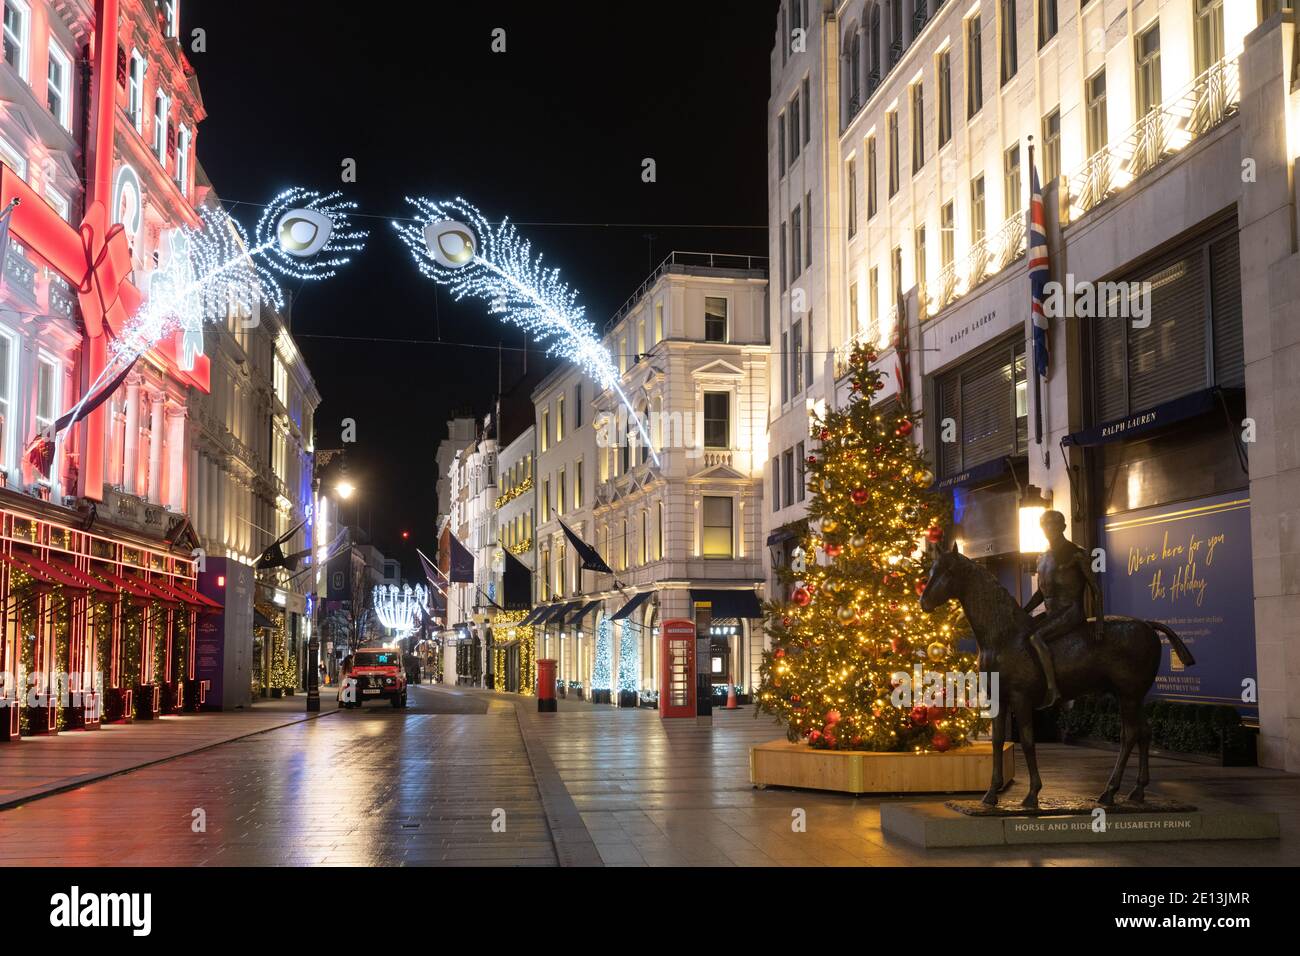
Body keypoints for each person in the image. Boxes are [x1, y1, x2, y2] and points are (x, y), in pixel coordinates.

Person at [1021, 510, 1104, 708]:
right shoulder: (1042, 558)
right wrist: (1023, 612)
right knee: (1022, 633)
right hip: (1052, 614)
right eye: (1045, 526)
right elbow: (1041, 593)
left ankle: (1053, 690)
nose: (1049, 529)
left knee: (1035, 637)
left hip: (1070, 612)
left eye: (1053, 525)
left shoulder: (1077, 554)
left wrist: (1099, 623)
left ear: (1063, 527)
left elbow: (1096, 591)